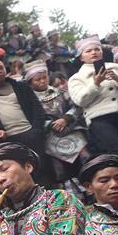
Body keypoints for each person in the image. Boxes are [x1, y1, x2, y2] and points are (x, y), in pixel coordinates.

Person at [0, 59, 52, 185]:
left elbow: (37, 109)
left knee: (42, 168)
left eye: (1, 68)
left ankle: (52, 200)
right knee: (21, 173)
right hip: (8, 139)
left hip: (30, 133)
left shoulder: (20, 86)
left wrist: (36, 130)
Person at [25, 60, 89, 191]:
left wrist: (66, 119)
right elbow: (30, 118)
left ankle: (90, 188)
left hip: (71, 130)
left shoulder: (61, 92)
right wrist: (50, 125)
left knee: (85, 157)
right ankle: (71, 195)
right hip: (49, 136)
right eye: (38, 79)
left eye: (45, 77)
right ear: (30, 81)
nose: (43, 81)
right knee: (59, 168)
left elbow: (76, 107)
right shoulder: (29, 99)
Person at [68, 36, 118, 154]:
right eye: (88, 51)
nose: (94, 52)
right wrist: (96, 83)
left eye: (97, 49)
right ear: (81, 57)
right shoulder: (76, 78)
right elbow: (80, 100)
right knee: (116, 151)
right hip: (100, 119)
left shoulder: (116, 67)